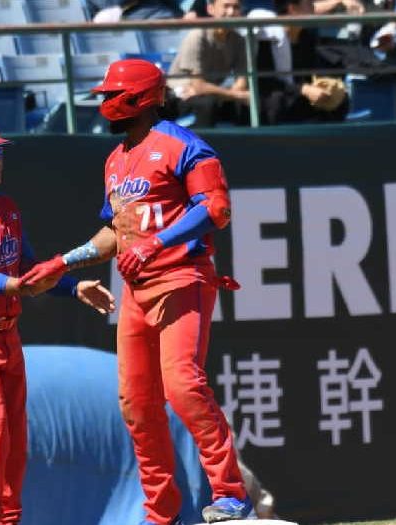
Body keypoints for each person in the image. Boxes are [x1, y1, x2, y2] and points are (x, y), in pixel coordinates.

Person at [21, 59, 251, 525]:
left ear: (140, 98)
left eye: (111, 95)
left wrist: (157, 243)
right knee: (136, 402)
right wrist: (63, 261)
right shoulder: (116, 158)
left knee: (183, 386)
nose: (105, 103)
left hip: (181, 278)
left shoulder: (186, 147)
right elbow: (116, 233)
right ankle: (160, 512)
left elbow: (218, 208)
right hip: (136, 291)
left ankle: (230, 494)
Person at [0, 120, 116, 525]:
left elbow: (30, 268)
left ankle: (8, 519)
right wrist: (18, 286)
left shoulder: (6, 207)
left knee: (15, 433)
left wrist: (72, 288)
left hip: (5, 332)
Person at [252, 0, 350, 124]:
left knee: (340, 98)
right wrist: (302, 89)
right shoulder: (267, 40)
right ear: (293, 8)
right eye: (309, 4)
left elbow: (310, 74)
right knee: (276, 100)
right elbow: (266, 81)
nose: (313, 8)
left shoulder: (306, 37)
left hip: (301, 95)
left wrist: (322, 85)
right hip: (279, 94)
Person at [166, 0, 250, 127]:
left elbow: (241, 84)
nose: (231, 12)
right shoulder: (197, 35)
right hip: (180, 96)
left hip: (211, 94)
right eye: (226, 6)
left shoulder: (239, 40)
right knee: (207, 104)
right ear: (211, 9)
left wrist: (231, 94)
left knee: (249, 104)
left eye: (236, 7)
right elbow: (198, 85)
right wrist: (233, 94)